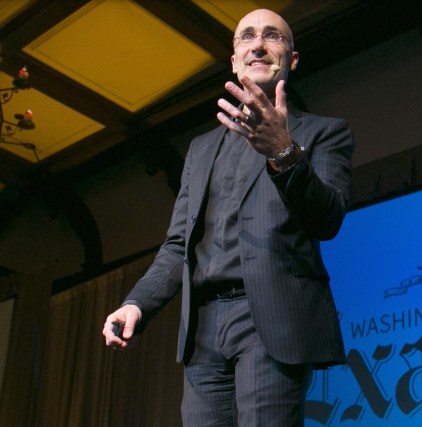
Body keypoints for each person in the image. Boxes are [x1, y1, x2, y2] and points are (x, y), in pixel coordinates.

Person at [102, 8, 353, 426]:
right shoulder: (201, 149)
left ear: (291, 60)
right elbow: (178, 245)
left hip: (270, 321)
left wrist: (282, 152)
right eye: (246, 38)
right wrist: (135, 304)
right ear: (235, 61)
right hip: (203, 328)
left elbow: (328, 219)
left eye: (272, 36)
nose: (258, 44)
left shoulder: (323, 133)